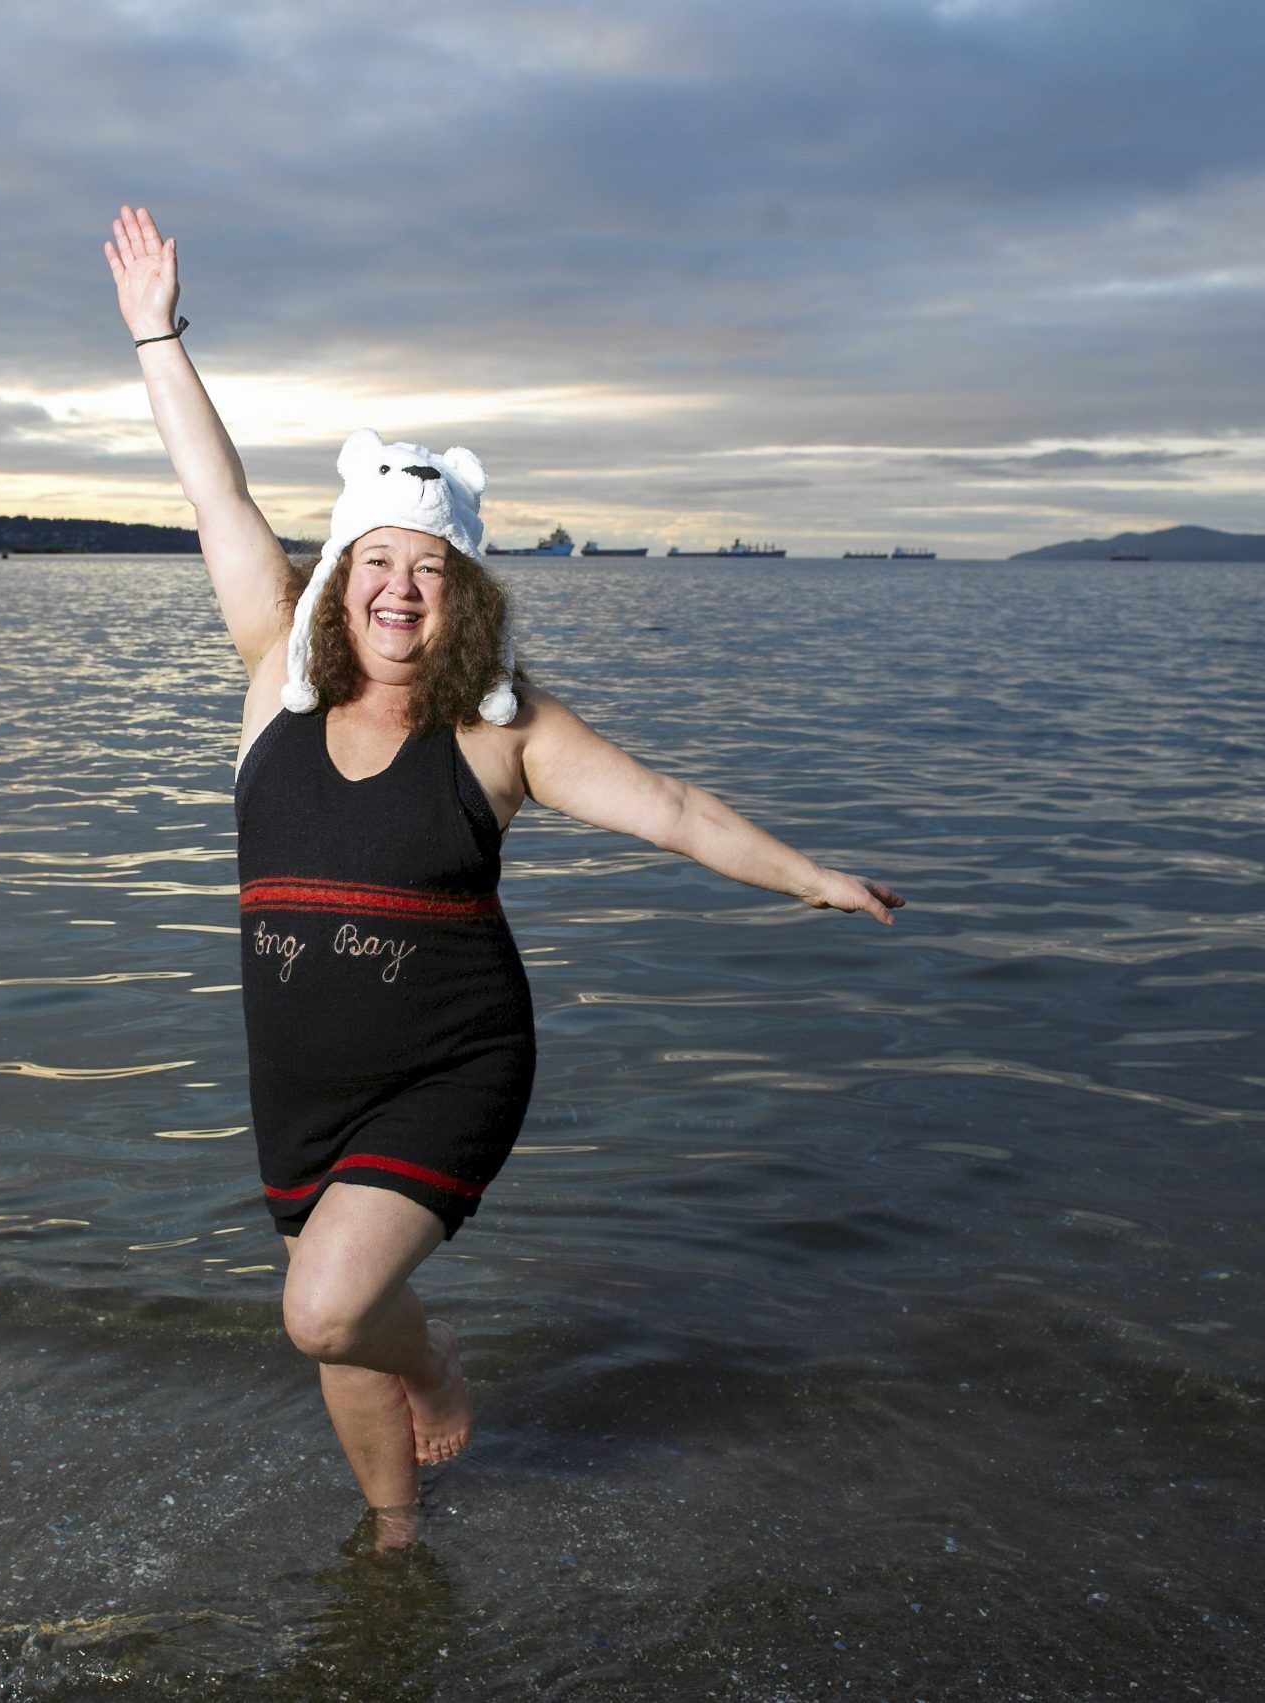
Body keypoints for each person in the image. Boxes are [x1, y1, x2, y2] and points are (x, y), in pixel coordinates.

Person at [103, 205, 904, 1549]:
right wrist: (154, 333)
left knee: (330, 1307)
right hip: (299, 1086)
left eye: (430, 569)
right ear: (339, 574)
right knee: (338, 1338)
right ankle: (397, 1549)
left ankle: (440, 1369)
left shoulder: (501, 726)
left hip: (451, 1066)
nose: (400, 591)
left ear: (462, 590)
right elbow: (216, 494)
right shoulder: (270, 676)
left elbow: (670, 807)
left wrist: (814, 879)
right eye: (377, 563)